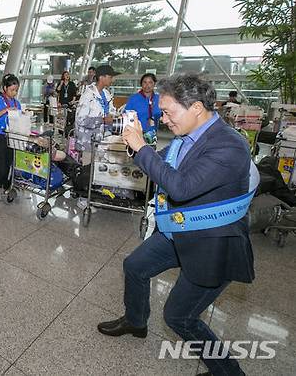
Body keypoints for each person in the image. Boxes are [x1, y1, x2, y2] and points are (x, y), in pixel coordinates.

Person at [99, 74, 256, 376]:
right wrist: (135, 147)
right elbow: (159, 163)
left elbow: (180, 187)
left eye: (169, 111)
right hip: (177, 232)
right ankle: (136, 321)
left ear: (196, 107)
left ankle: (228, 372)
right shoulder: (186, 137)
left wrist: (141, 147)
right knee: (135, 266)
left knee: (179, 317)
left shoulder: (229, 146)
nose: (164, 118)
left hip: (211, 243)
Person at [0, 74, 22, 201]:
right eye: (12, 90)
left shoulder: (17, 103)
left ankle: (6, 186)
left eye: (16, 90)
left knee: (9, 164)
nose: (14, 93)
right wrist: (6, 110)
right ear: (5, 88)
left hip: (12, 137)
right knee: (0, 166)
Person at [74, 65, 118, 158]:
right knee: (88, 169)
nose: (112, 80)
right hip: (88, 143)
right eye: (110, 77)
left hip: (102, 139)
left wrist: (112, 115)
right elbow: (81, 119)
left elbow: (110, 109)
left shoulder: (106, 94)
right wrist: (102, 120)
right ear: (101, 77)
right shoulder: (88, 95)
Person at [124, 73, 161, 139]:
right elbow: (126, 115)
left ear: (154, 84)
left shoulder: (159, 99)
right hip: (136, 132)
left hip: (152, 133)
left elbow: (162, 114)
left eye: (150, 82)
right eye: (145, 82)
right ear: (141, 84)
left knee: (150, 149)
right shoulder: (134, 98)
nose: (147, 85)